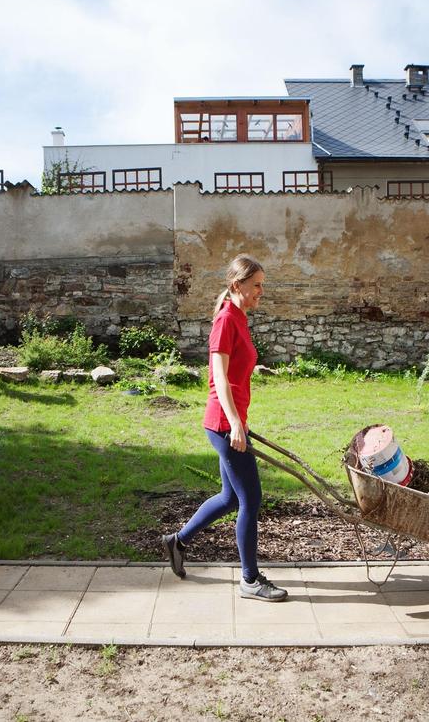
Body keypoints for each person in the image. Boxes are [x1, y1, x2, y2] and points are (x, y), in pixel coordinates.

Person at [162, 254, 287, 602]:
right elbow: (218, 377)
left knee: (231, 498)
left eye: (262, 284)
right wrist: (234, 424)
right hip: (222, 423)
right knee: (252, 499)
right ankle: (250, 580)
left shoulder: (240, 318)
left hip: (231, 422)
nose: (262, 291)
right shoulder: (225, 321)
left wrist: (240, 421)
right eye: (257, 285)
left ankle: (177, 541)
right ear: (237, 285)